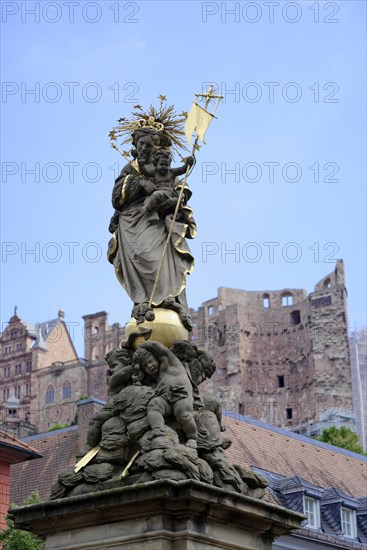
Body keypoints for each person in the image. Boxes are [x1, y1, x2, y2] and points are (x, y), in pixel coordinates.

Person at [107, 128, 196, 329]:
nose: (145, 148)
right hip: (132, 221)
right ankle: (144, 301)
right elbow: (116, 197)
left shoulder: (162, 167)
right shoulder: (130, 169)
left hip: (158, 220)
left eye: (149, 145)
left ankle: (168, 298)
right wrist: (140, 184)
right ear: (136, 147)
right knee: (140, 254)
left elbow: (179, 186)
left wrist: (177, 197)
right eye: (142, 144)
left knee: (159, 259)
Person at [132, 341, 197, 448]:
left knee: (183, 414)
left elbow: (156, 346)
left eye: (150, 361)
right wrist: (136, 378)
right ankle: (158, 429)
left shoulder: (168, 361)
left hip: (181, 394)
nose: (149, 366)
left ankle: (192, 437)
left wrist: (140, 347)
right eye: (146, 366)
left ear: (156, 357)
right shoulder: (155, 378)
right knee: (154, 405)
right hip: (165, 398)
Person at [140, 150, 194, 215]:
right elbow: (145, 172)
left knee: (159, 196)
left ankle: (148, 208)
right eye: (161, 164)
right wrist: (141, 164)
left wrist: (188, 164)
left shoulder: (171, 172)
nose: (164, 167)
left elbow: (182, 170)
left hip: (168, 194)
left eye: (166, 165)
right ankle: (151, 211)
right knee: (155, 197)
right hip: (158, 194)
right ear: (155, 164)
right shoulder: (155, 172)